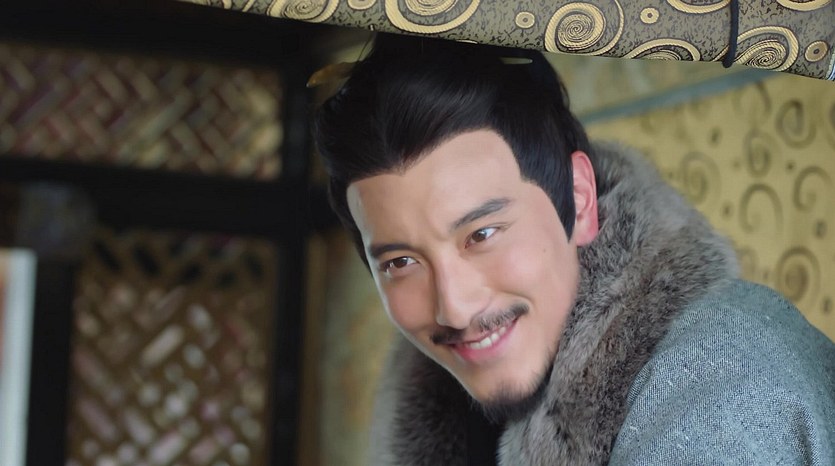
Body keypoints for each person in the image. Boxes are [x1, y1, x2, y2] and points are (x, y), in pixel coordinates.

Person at [313, 33, 835, 465]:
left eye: (483, 234)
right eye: (401, 262)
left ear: (580, 199)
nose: (455, 307)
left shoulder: (723, 374)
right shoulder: (450, 411)